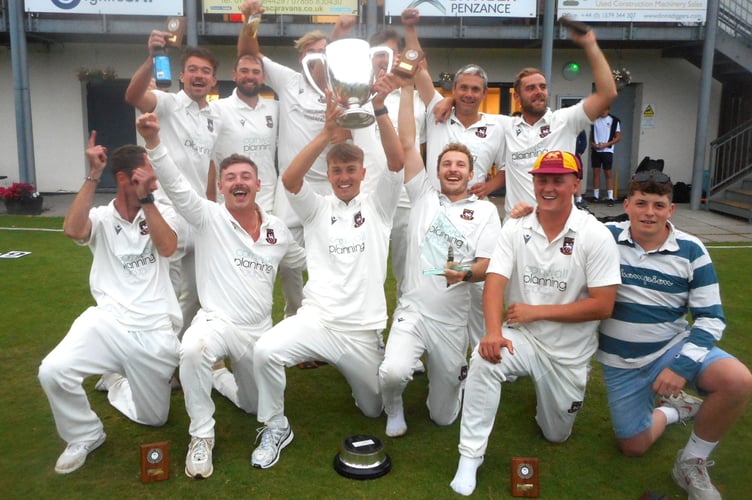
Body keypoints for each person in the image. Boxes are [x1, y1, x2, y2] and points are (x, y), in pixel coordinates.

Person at [136, 112, 306, 479]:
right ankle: (201, 435)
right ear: (222, 188)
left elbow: (302, 263)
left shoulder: (277, 230)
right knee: (194, 348)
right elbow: (177, 185)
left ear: (259, 185)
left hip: (259, 331)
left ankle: (217, 377)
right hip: (216, 321)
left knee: (251, 405)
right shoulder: (207, 216)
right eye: (231, 178)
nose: (238, 182)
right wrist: (153, 143)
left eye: (246, 176)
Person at [249, 77, 405, 469]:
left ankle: (363, 375)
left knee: (372, 411)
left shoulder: (379, 207)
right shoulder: (317, 208)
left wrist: (382, 109)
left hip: (361, 331)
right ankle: (275, 426)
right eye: (337, 170)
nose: (344, 176)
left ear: (362, 172)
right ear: (330, 173)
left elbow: (398, 162)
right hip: (317, 322)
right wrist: (324, 135)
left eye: (350, 169)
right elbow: (289, 180)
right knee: (265, 351)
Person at [449, 150, 621, 496]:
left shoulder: (595, 234)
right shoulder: (516, 226)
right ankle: (470, 456)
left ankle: (555, 396)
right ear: (533, 182)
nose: (549, 187)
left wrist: (536, 311)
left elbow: (603, 305)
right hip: (522, 339)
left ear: (575, 183)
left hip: (568, 353)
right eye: (542, 179)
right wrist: (494, 332)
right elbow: (495, 281)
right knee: (485, 358)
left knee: (555, 433)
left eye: (558, 180)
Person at [597, 171, 752, 499]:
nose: (649, 212)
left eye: (658, 204)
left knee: (737, 380)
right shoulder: (605, 235)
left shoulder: (691, 249)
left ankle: (691, 461)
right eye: (641, 203)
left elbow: (711, 318)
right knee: (633, 447)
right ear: (627, 205)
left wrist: (681, 366)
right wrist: (525, 212)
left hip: (670, 349)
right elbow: (562, 222)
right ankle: (674, 410)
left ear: (671, 210)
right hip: (619, 362)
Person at [38, 132, 183, 474]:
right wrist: (93, 174)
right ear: (122, 178)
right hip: (108, 322)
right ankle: (85, 435)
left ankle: (115, 381)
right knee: (53, 370)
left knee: (155, 419)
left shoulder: (162, 210)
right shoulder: (102, 218)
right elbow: (73, 230)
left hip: (156, 330)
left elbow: (167, 248)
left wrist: (147, 200)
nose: (153, 185)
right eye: (143, 178)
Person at [238, 1, 376, 321]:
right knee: (287, 256)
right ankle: (295, 315)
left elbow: (345, 141)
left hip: (330, 189)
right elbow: (249, 53)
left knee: (334, 256)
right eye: (315, 51)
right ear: (303, 58)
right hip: (293, 187)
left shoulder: (344, 88)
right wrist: (251, 20)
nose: (322, 56)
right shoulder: (288, 80)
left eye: (326, 51)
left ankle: (330, 316)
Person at [378, 82, 501, 438]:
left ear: (471, 173)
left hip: (451, 321)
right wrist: (404, 89)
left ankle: (448, 381)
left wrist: (464, 274)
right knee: (392, 372)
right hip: (413, 311)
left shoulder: (486, 212)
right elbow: (406, 141)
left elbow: (486, 266)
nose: (452, 169)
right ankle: (395, 406)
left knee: (443, 417)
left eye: (460, 165)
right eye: (446, 163)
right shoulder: (423, 195)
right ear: (437, 169)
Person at [402, 8, 505, 348]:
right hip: (430, 208)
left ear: (483, 92)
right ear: (454, 88)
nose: (469, 93)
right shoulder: (437, 110)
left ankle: (478, 352)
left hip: (473, 216)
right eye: (462, 87)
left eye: (476, 89)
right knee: (420, 280)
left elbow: (510, 166)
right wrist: (410, 28)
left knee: (472, 286)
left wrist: (490, 186)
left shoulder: (497, 126)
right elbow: (418, 68)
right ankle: (416, 346)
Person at [125, 32, 222, 336]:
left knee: (196, 296)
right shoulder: (167, 104)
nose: (199, 75)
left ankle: (176, 352)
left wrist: (211, 206)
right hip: (166, 212)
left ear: (213, 81)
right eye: (193, 69)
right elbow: (134, 96)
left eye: (206, 71)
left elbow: (208, 166)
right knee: (163, 294)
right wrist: (152, 58)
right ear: (181, 76)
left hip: (199, 214)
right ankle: (132, 364)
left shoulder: (214, 117)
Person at [212, 54, 279, 212]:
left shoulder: (276, 108)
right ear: (234, 75)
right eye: (244, 71)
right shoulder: (216, 109)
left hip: (268, 203)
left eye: (256, 72)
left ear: (263, 77)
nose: (250, 76)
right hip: (229, 204)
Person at [589, 107, 621, 206]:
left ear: (608, 110)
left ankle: (610, 197)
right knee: (596, 173)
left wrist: (606, 144)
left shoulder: (614, 121)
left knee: (608, 173)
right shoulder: (594, 120)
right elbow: (591, 136)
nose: (602, 112)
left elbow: (618, 137)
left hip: (607, 151)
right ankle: (595, 196)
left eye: (605, 110)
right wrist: (593, 144)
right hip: (596, 151)